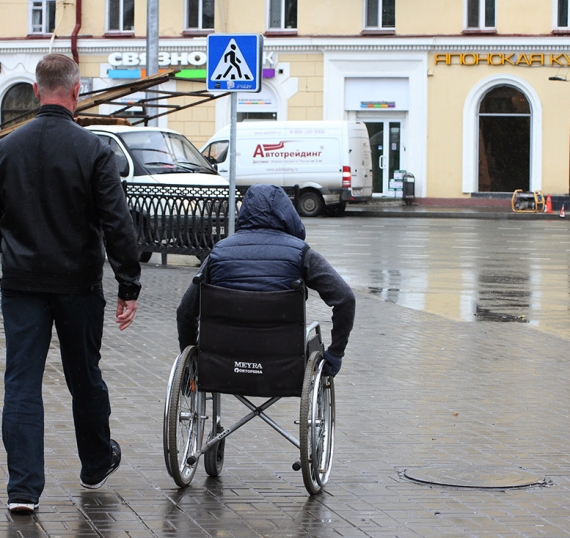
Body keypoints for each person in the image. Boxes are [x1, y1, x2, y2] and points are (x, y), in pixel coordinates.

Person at [0, 53, 142, 513]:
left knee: (21, 380)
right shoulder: (94, 150)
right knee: (85, 376)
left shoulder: (6, 149)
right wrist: (129, 284)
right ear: (77, 92)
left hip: (20, 282)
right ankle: (96, 462)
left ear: (37, 92)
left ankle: (23, 489)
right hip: (78, 284)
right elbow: (117, 223)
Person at [177, 184, 355, 377]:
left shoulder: (218, 253)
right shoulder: (300, 253)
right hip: (284, 364)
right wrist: (335, 354)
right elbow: (345, 298)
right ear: (286, 213)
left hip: (223, 363)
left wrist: (192, 363)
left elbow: (185, 311)